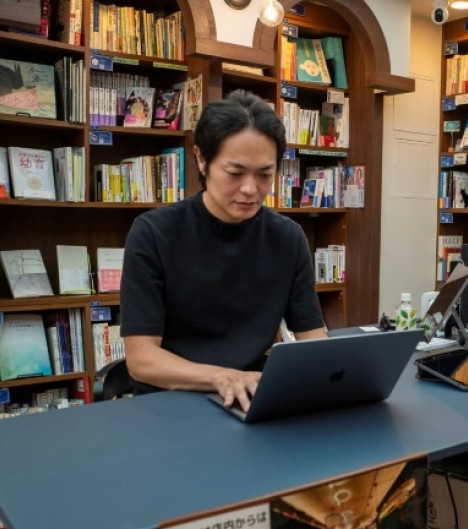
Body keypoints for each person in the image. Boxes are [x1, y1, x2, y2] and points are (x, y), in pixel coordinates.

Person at [121, 90, 327, 412]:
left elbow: (313, 339)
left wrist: (340, 375)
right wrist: (222, 376)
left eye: (264, 175)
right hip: (168, 403)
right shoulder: (153, 233)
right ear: (202, 160)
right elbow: (141, 360)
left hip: (250, 400)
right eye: (235, 173)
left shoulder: (288, 238)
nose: (250, 189)